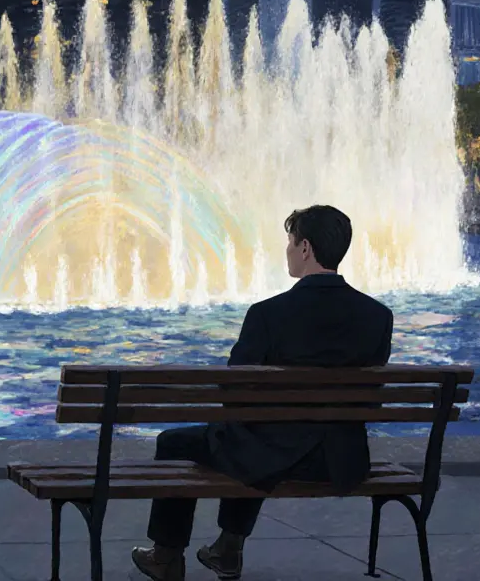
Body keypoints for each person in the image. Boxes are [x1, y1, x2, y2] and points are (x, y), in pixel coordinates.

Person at [131, 205, 393, 581]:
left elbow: (232, 393)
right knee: (257, 435)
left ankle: (166, 556)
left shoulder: (268, 314)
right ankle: (228, 547)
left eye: (289, 242)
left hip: (271, 455)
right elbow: (371, 399)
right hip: (338, 460)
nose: (287, 251)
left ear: (304, 248)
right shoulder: (377, 316)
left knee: (183, 441)